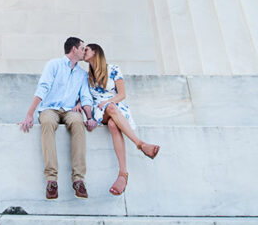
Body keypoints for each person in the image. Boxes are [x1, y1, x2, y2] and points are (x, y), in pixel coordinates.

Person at [18, 37, 98, 199]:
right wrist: (29, 114)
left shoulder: (82, 74)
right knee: (47, 122)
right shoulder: (53, 65)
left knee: (78, 122)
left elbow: (85, 96)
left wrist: (90, 117)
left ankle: (78, 179)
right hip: (50, 108)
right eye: (82, 48)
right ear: (74, 49)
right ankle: (51, 180)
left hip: (70, 110)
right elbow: (43, 88)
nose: (84, 52)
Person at [83, 43, 160, 195]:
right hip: (99, 110)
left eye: (86, 49)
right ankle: (140, 144)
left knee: (113, 124)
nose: (84, 52)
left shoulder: (114, 69)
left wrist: (108, 102)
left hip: (116, 105)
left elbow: (122, 94)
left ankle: (123, 174)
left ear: (95, 52)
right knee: (111, 110)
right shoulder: (87, 76)